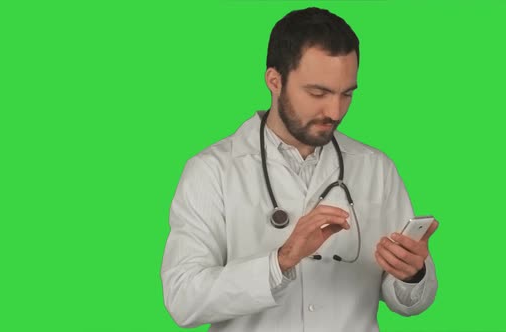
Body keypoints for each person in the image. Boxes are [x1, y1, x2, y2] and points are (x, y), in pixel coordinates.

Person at [161, 7, 438, 332]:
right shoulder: (211, 171)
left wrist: (412, 273)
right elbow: (183, 299)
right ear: (274, 81)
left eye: (346, 94)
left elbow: (410, 301)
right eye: (318, 93)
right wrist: (281, 261)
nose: (335, 111)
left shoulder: (376, 169)